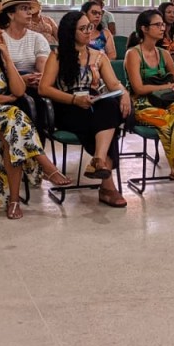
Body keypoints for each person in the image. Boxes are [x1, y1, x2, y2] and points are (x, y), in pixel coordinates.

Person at [0, 14, 71, 219]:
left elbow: (19, 90)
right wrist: (7, 99)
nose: (0, 32)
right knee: (14, 114)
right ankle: (46, 166)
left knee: (12, 136)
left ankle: (14, 201)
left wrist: (7, 58)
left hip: (0, 117)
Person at [38, 11, 129, 208]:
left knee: (109, 105)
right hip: (67, 106)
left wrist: (125, 94)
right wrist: (74, 100)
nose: (89, 31)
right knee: (109, 126)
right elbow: (44, 88)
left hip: (92, 104)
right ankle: (107, 187)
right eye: (83, 28)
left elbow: (114, 85)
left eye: (90, 27)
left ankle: (98, 159)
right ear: (71, 32)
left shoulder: (98, 56)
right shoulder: (58, 55)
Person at [124, 9, 174, 198]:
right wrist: (167, 86)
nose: (163, 28)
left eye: (163, 24)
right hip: (142, 105)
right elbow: (138, 88)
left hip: (165, 103)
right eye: (158, 25)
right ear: (144, 29)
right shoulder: (133, 54)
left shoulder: (164, 54)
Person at [0, 0, 50, 86]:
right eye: (24, 8)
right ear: (11, 14)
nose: (29, 13)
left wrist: (38, 78)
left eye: (29, 8)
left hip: (34, 84)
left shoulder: (37, 38)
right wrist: (21, 80)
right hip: (6, 84)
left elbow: (43, 68)